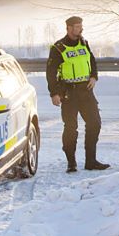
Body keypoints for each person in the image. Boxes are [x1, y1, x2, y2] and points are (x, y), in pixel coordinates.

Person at [46, 16, 110, 172]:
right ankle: (71, 162)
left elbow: (92, 61)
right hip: (69, 92)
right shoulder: (58, 48)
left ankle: (91, 161)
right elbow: (50, 72)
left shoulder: (84, 43)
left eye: (81, 26)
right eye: (76, 26)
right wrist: (54, 93)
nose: (80, 29)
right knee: (70, 128)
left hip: (86, 91)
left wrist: (94, 76)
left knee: (95, 124)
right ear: (68, 28)